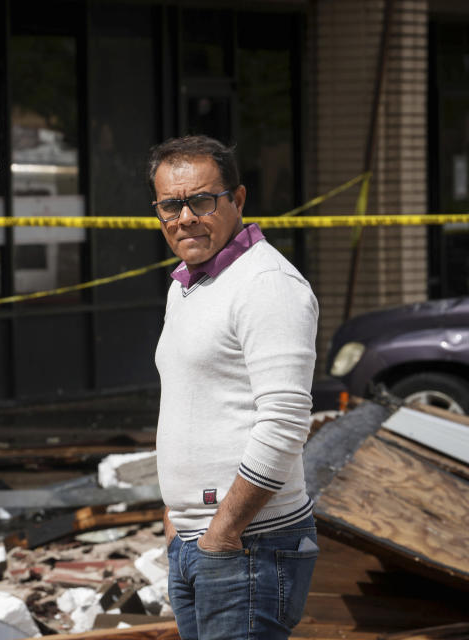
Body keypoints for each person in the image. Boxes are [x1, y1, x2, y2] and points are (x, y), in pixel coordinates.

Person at [149, 135, 320, 640]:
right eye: (169, 206)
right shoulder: (188, 283)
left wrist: (223, 532)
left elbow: (286, 422)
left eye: (201, 201)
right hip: (197, 543)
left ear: (238, 200)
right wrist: (177, 519)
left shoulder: (266, 285)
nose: (185, 219)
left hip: (249, 544)